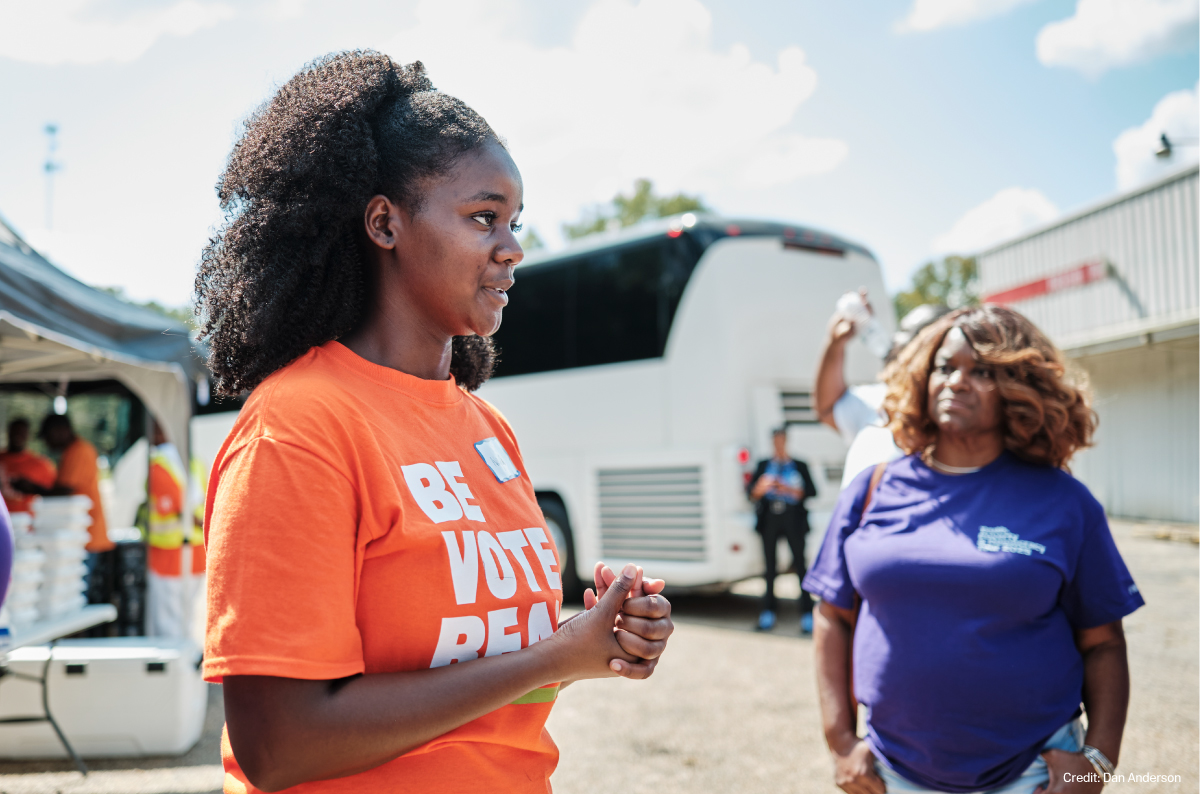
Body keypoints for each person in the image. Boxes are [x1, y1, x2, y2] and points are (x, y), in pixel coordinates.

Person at [194, 51, 674, 793]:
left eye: (514, 222)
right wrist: (552, 657)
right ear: (384, 222)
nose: (512, 248)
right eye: (484, 218)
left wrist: (588, 645)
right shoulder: (296, 430)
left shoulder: (488, 429)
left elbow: (480, 681)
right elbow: (278, 745)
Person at [804, 305, 1143, 794]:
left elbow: (1105, 643)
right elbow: (832, 614)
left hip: (1030, 775)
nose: (956, 382)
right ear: (923, 377)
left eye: (980, 370)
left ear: (1019, 385)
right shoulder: (874, 488)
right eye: (945, 367)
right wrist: (839, 742)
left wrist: (1097, 761)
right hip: (892, 774)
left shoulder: (1064, 502)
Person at [814, 293, 949, 489]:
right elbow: (827, 408)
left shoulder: (946, 415)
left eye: (906, 332)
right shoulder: (882, 396)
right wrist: (835, 344)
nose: (895, 337)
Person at [747, 427, 818, 633]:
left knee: (800, 566)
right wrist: (761, 488)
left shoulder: (798, 465)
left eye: (781, 440)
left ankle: (807, 613)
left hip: (793, 520)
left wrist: (787, 488)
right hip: (770, 520)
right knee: (769, 568)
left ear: (786, 441)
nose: (778, 444)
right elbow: (751, 494)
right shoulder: (763, 465)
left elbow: (812, 492)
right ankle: (768, 612)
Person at [146, 422, 204, 640]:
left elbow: (182, 510)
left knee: (167, 624)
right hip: (195, 553)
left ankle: (173, 669)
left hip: (169, 557)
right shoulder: (195, 461)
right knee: (184, 620)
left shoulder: (158, 466)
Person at [0, 418, 56, 515]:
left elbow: (54, 494)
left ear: (28, 435)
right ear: (8, 433)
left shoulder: (42, 464)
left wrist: (32, 487)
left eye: (22, 432)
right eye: (15, 431)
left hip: (29, 524)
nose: (18, 436)